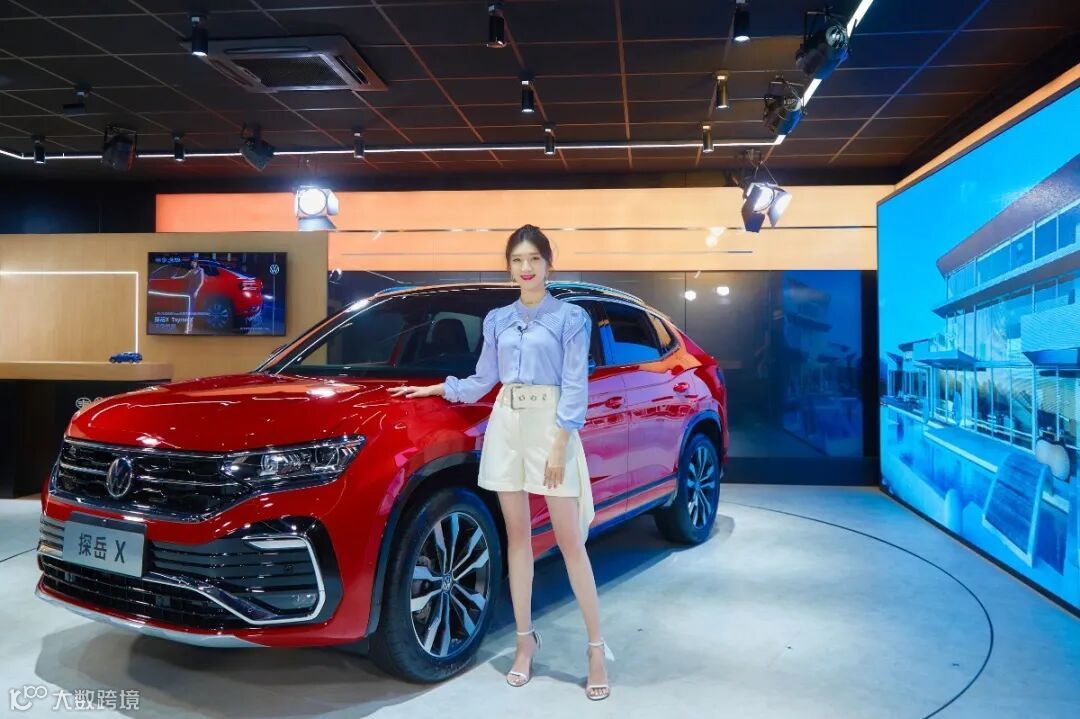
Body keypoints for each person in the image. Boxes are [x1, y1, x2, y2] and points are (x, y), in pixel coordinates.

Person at [387, 224, 614, 701]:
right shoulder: (497, 320)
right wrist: (440, 388)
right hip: (507, 426)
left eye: (533, 259)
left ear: (548, 264)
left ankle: (596, 649)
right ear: (509, 266)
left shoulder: (571, 318)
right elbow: (483, 379)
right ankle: (524, 643)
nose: (525, 268)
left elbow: (576, 385)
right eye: (517, 260)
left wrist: (560, 443)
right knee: (517, 540)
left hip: (551, 429)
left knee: (570, 543)